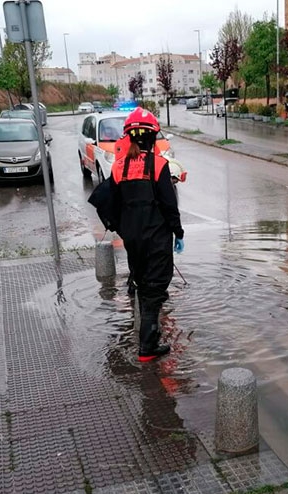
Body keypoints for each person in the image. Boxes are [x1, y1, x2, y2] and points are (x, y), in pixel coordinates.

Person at [109, 107, 184, 362]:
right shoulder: (160, 165)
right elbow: (169, 204)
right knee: (154, 290)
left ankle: (147, 334)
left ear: (129, 137)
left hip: (132, 239)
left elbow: (111, 204)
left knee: (142, 283)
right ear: (152, 138)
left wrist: (124, 229)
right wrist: (179, 232)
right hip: (156, 238)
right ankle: (147, 347)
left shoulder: (118, 167)